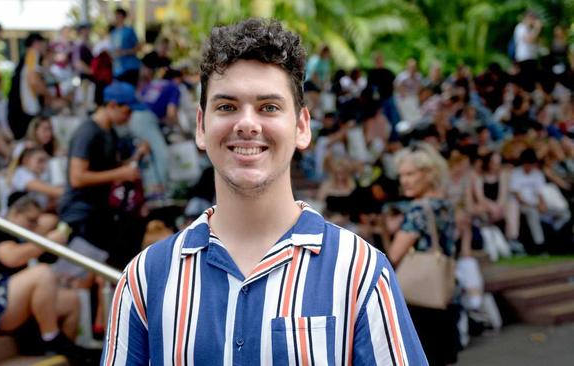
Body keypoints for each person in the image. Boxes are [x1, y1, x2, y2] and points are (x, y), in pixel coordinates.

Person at [102, 18, 426, 365]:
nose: (246, 123)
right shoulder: (145, 279)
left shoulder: (359, 272)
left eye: (268, 107)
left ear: (302, 127)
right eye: (226, 106)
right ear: (201, 126)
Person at [0, 195, 98, 364]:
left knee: (72, 300)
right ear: (15, 213)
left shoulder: (18, 235)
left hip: (9, 303)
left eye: (36, 221)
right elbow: (12, 257)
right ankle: (51, 337)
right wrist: (47, 241)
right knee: (42, 273)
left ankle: (65, 354)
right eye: (31, 220)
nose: (34, 226)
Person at [386, 142, 459, 366]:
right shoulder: (445, 204)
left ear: (428, 174)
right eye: (401, 175)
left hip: (419, 299)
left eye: (410, 174)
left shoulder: (418, 210)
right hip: (445, 293)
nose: (404, 181)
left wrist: (389, 229)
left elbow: (394, 254)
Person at [58, 81, 149, 261]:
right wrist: (120, 174)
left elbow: (112, 168)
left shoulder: (111, 132)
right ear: (113, 105)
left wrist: (135, 158)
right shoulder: (88, 132)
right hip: (81, 213)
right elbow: (77, 177)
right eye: (127, 111)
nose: (129, 117)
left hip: (100, 210)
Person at [8, 33, 51, 139]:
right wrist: (49, 96)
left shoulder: (26, 57)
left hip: (19, 110)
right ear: (36, 43)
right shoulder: (33, 54)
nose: (45, 47)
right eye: (43, 44)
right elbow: (33, 80)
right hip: (26, 110)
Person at [111, 7, 142, 86]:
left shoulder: (129, 31)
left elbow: (138, 47)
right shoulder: (113, 33)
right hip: (117, 69)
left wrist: (125, 52)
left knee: (129, 93)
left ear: (123, 17)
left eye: (118, 15)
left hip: (130, 68)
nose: (116, 18)